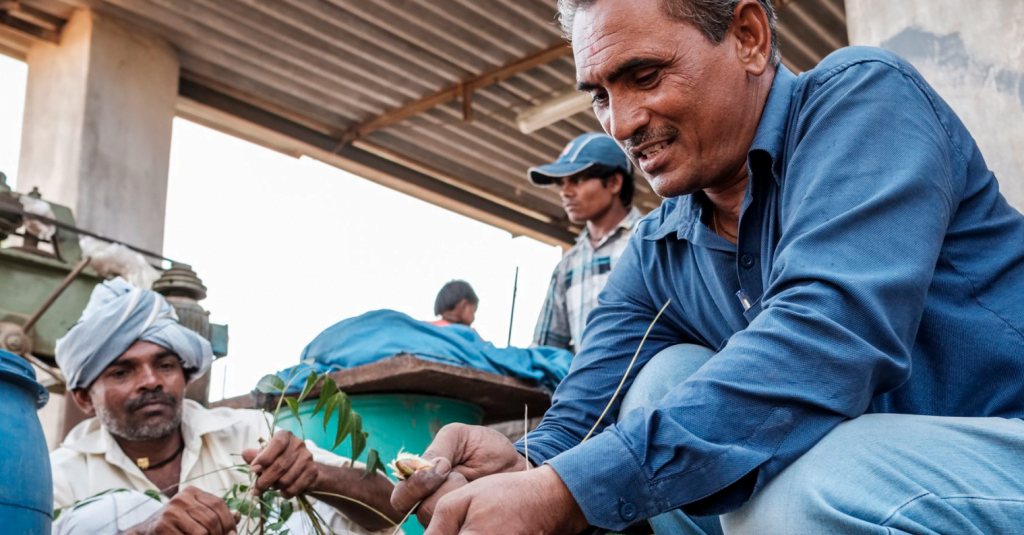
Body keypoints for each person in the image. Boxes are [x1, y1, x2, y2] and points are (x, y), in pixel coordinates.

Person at [390, 1, 1024, 534]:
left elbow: (824, 341)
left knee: (807, 493)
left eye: (644, 74)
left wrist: (564, 494)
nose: (624, 123)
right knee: (663, 380)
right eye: (600, 95)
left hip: (999, 450)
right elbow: (586, 410)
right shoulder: (660, 247)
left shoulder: (865, 100)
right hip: (879, 465)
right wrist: (526, 467)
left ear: (749, 37)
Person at [50, 278, 404, 535]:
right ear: (83, 398)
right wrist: (142, 532)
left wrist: (316, 476)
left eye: (165, 365)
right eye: (122, 371)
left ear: (185, 375)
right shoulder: (58, 477)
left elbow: (393, 507)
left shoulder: (248, 434)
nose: (151, 381)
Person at [529, 132, 642, 352]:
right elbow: (546, 350)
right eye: (562, 183)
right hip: (590, 383)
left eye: (577, 180)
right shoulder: (568, 265)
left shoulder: (651, 240)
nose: (566, 192)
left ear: (614, 182)